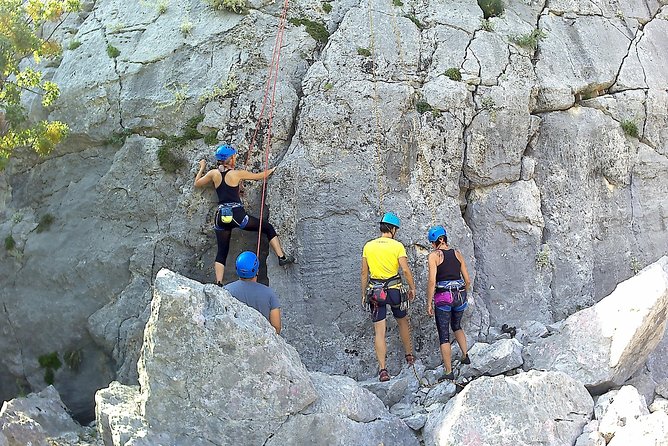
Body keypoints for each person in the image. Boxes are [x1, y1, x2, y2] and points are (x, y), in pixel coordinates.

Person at [194, 144, 294, 285]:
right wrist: (273, 169)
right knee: (267, 228)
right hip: (237, 215)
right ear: (231, 158)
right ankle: (282, 257)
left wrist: (202, 167)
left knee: (222, 251)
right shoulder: (237, 174)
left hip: (221, 216)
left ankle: (218, 283)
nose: (235, 158)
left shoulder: (213, 174)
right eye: (234, 156)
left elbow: (197, 183)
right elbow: (260, 176)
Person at [361, 212, 417, 382]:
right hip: (394, 291)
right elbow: (405, 270)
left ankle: (383, 370)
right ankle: (409, 356)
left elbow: (364, 272)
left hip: (376, 293)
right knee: (403, 321)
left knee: (379, 331)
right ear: (392, 229)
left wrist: (364, 293)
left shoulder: (368, 246)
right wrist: (412, 287)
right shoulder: (397, 246)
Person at [426, 225, 471, 381]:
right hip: (460, 295)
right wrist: (463, 292)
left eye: (432, 243)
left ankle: (448, 371)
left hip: (443, 297)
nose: (432, 246)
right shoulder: (457, 254)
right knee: (457, 325)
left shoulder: (434, 256)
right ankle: (465, 356)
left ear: (437, 241)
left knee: (444, 335)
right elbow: (467, 279)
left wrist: (429, 303)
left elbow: (432, 281)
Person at [224, 251, 281, 334]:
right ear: (257, 271)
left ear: (237, 269)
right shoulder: (269, 293)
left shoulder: (226, 291)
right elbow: (277, 327)